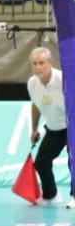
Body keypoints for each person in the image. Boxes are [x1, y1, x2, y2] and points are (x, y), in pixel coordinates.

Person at [26, 47, 68, 206]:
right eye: (34, 64)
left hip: (71, 129)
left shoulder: (63, 79)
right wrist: (34, 128)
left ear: (50, 63)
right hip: (53, 129)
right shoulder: (32, 83)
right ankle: (51, 196)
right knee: (41, 162)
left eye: (41, 63)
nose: (38, 67)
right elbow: (36, 105)